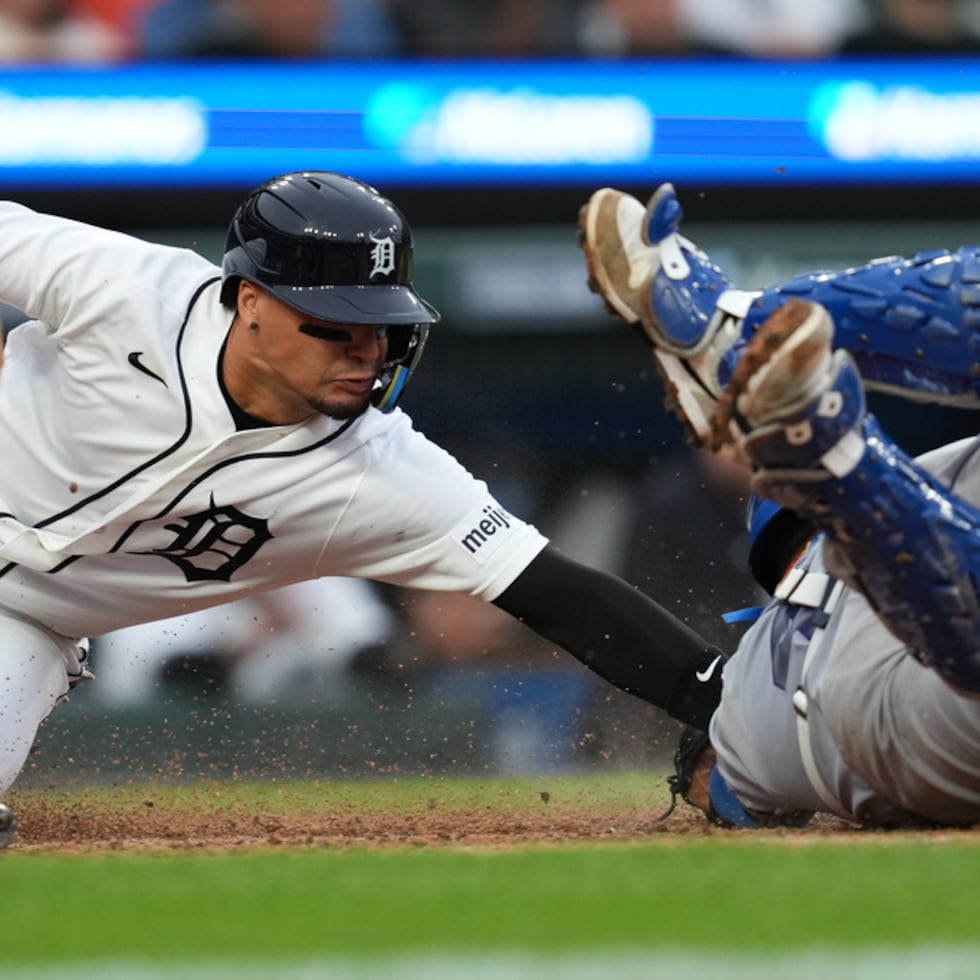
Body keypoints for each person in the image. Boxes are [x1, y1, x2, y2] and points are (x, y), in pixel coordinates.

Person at [0, 170, 728, 847]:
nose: (367, 351)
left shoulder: (384, 472)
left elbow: (561, 595)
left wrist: (724, 703)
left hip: (29, 624)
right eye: (335, 325)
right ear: (250, 301)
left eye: (382, 326)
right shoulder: (132, 291)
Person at [578, 180, 980, 828]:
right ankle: (748, 334)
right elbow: (718, 786)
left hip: (870, 729)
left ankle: (788, 399)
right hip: (917, 690)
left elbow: (719, 789)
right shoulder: (744, 724)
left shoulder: (749, 712)